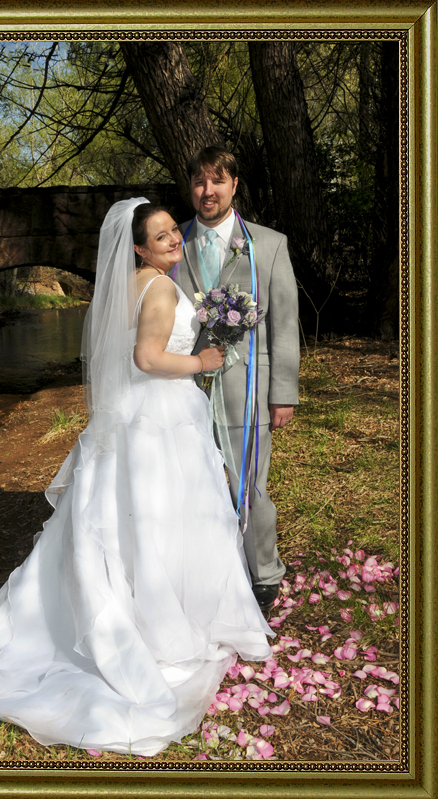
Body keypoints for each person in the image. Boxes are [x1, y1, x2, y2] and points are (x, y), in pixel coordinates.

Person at [0, 198, 272, 758]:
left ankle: (136, 600)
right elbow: (147, 359)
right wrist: (202, 363)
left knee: (127, 516)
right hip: (162, 416)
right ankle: (164, 620)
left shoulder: (127, 285)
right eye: (161, 237)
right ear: (138, 247)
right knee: (168, 516)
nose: (174, 240)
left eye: (173, 231)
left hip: (133, 417)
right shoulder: (160, 289)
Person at [173, 146, 300, 613]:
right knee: (191, 485)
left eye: (217, 181)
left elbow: (284, 324)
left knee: (249, 487)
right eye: (199, 182)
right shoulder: (173, 242)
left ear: (234, 185)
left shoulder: (268, 244)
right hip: (181, 392)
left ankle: (264, 575)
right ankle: (207, 571)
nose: (207, 191)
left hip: (247, 390)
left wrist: (283, 392)